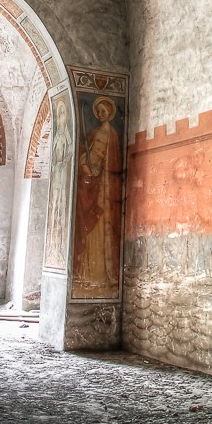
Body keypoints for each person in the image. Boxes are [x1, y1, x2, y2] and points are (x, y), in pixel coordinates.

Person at [72, 96, 122, 288]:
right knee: (89, 224)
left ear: (110, 112)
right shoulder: (93, 133)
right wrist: (86, 166)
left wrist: (102, 172)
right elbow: (83, 155)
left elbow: (113, 162)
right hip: (91, 184)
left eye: (104, 111)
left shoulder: (114, 136)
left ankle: (102, 273)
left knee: (104, 224)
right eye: (98, 111)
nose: (100, 114)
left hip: (104, 187)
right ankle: (86, 272)